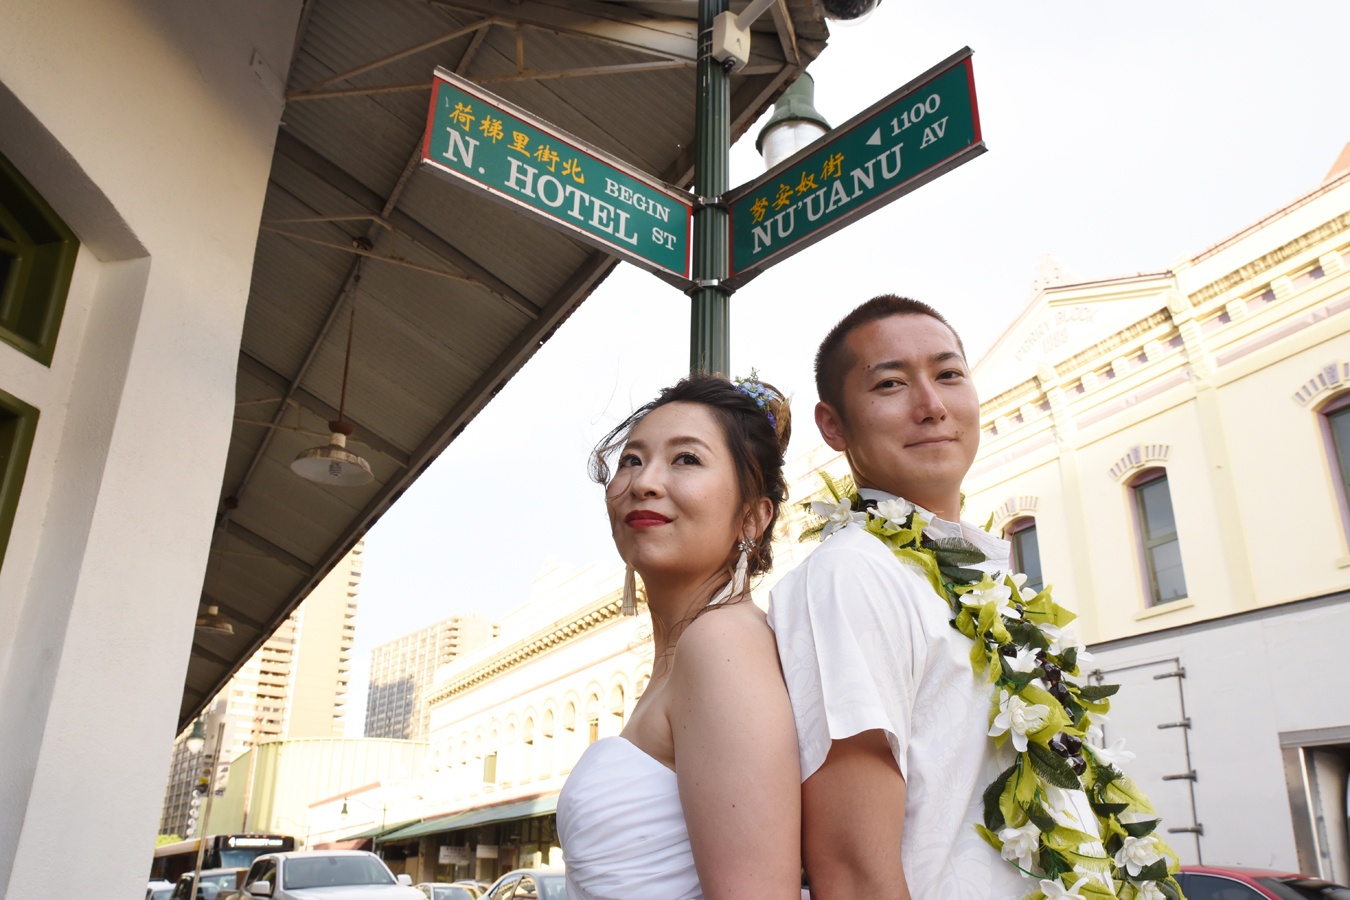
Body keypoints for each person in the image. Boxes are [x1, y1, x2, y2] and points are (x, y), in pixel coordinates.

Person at [769, 295, 1059, 900]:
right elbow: (852, 871)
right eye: (892, 384)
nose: (932, 406)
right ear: (833, 425)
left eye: (949, 375)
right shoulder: (853, 574)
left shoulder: (979, 579)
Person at [556, 373, 803, 900]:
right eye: (631, 459)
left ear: (754, 517)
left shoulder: (722, 644)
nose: (644, 481)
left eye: (686, 459)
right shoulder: (687, 653)